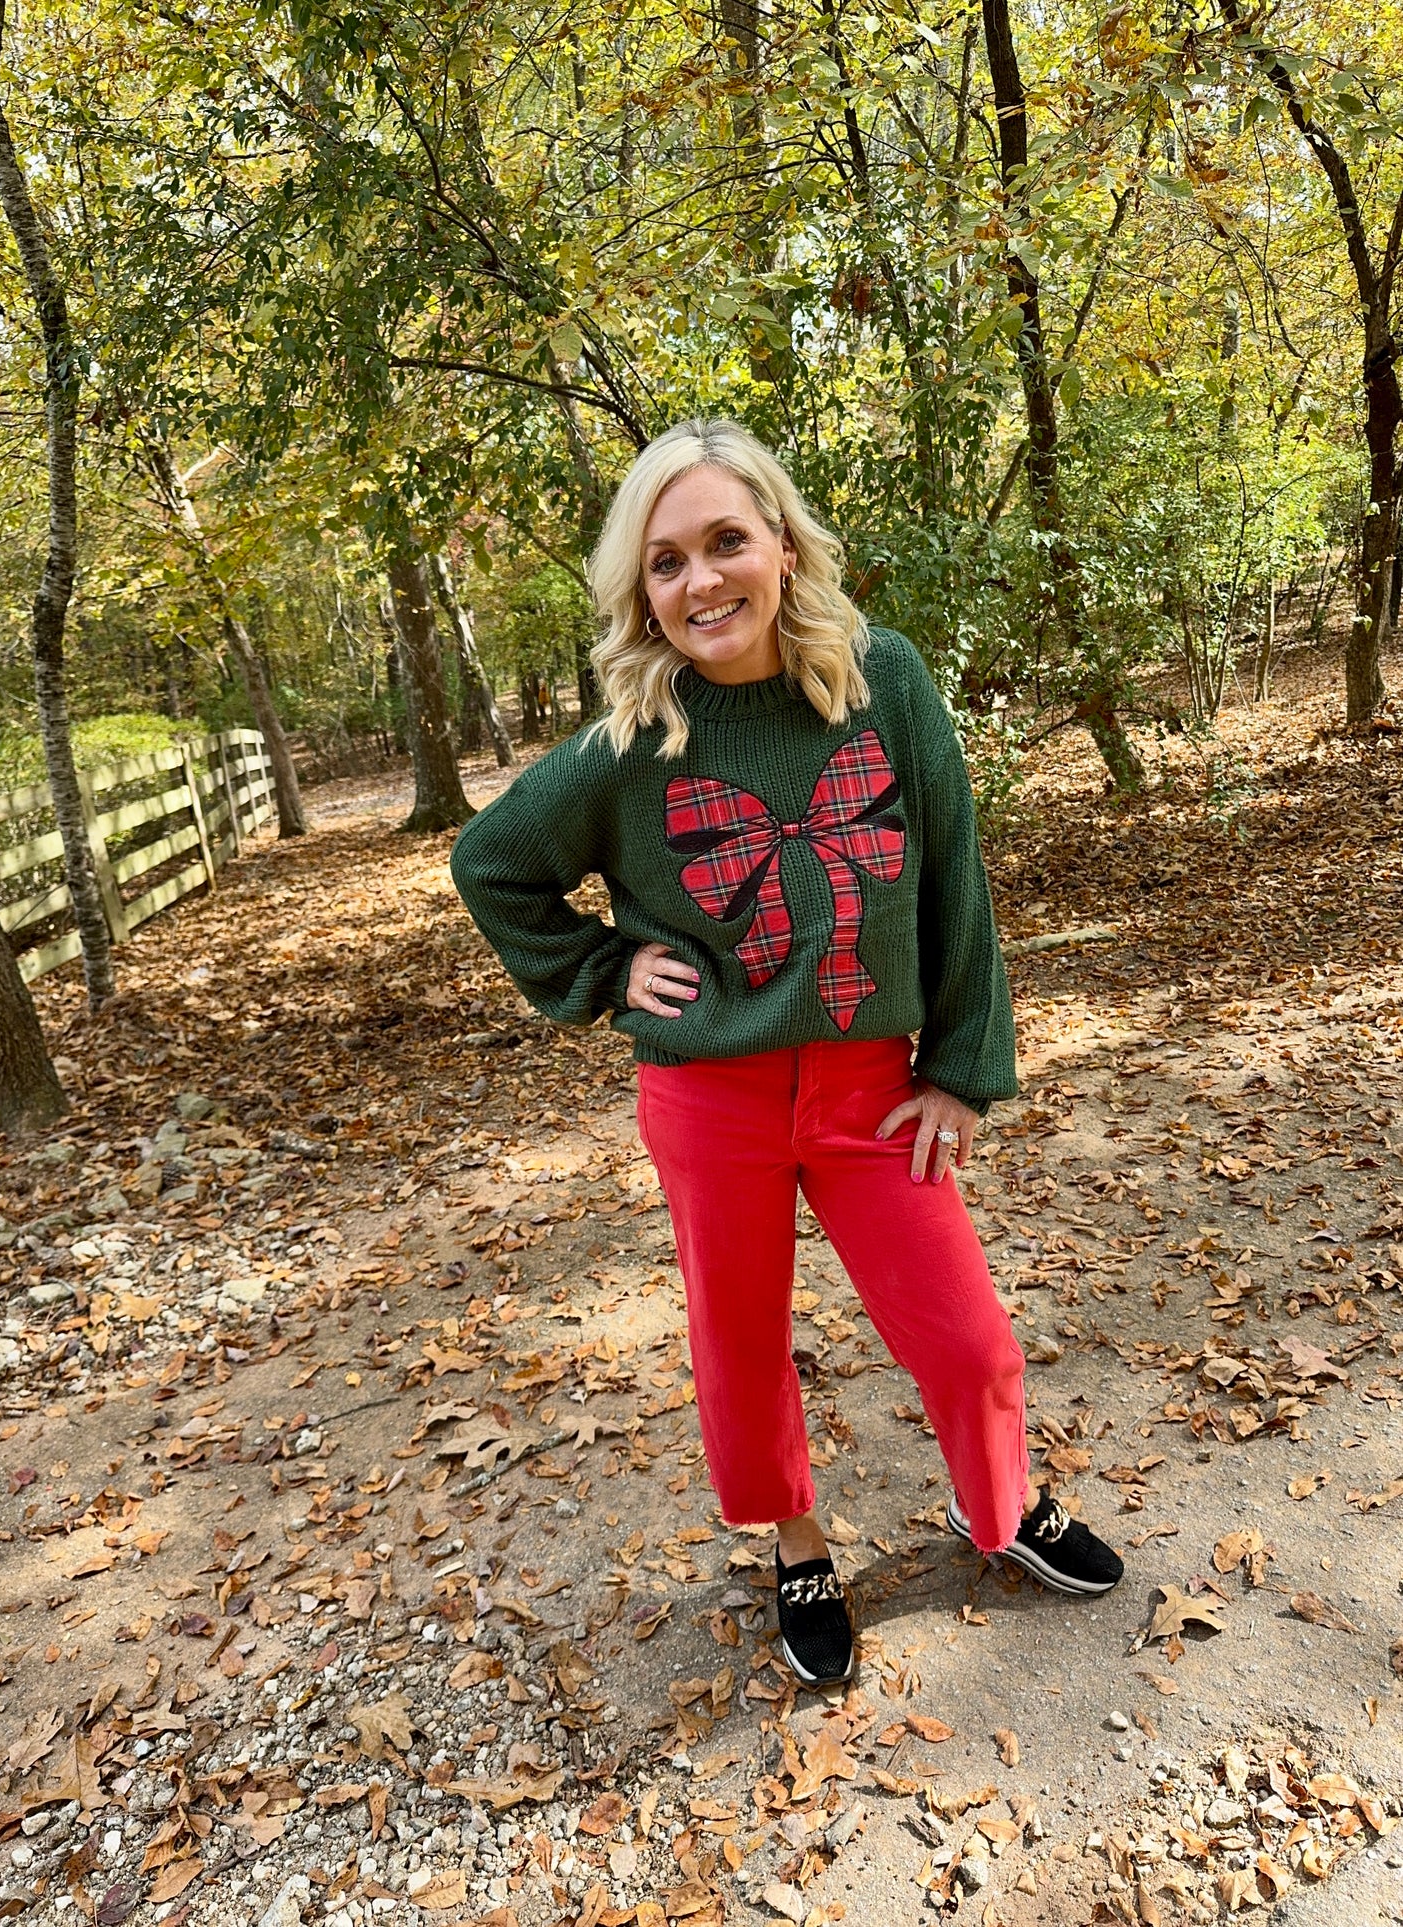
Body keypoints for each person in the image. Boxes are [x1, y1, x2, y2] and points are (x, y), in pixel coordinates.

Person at [450, 418, 1123, 1687]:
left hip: (872, 1088)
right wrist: (601, 973)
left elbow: (949, 880)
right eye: (665, 561)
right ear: (639, 593)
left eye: (723, 542)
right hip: (712, 1096)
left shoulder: (886, 681)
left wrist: (963, 1062)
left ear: (779, 546)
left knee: (969, 1338)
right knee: (741, 1342)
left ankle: (1004, 1506)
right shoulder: (631, 738)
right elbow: (489, 864)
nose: (700, 580)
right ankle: (797, 1545)